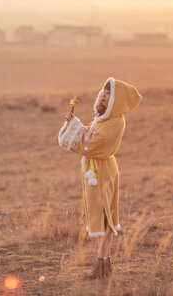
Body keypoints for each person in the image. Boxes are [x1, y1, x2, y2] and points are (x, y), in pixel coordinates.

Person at [58, 77, 142, 279]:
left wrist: (76, 128)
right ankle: (103, 266)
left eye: (109, 93)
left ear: (117, 100)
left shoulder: (116, 121)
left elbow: (96, 144)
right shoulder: (104, 119)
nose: (104, 95)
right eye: (103, 92)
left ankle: (102, 266)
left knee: (105, 217)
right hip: (97, 171)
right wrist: (73, 126)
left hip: (103, 172)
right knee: (101, 214)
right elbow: (90, 136)